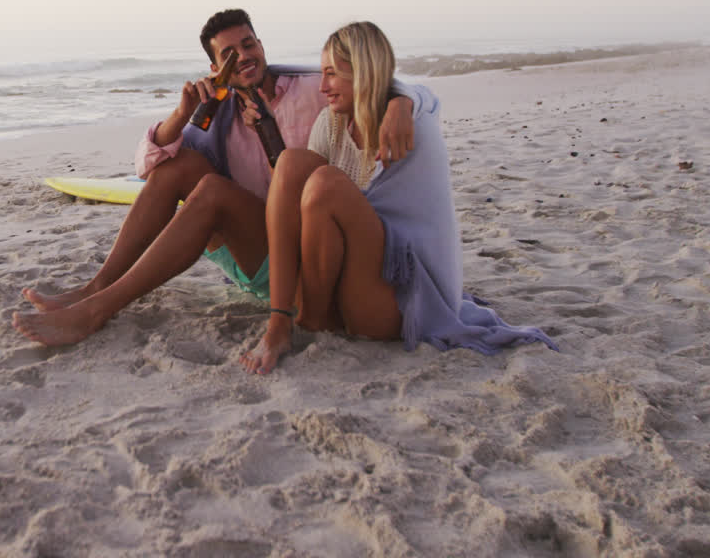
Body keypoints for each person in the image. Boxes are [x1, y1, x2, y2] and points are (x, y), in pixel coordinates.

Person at [13, 10, 415, 346]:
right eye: (229, 54)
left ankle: (96, 311)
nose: (243, 57)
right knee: (180, 167)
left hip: (311, 256)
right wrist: (183, 113)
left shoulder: (314, 91)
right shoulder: (214, 115)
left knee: (213, 190)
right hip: (256, 251)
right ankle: (95, 288)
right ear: (215, 68)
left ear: (260, 45)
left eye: (249, 45)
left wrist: (401, 102)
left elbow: (372, 79)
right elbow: (149, 169)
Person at [239, 21, 557, 374]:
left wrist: (404, 101)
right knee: (292, 162)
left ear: (362, 71)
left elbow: (427, 97)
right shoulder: (330, 123)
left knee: (326, 184)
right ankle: (281, 323)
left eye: (332, 74)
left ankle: (311, 322)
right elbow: (300, 205)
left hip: (400, 297)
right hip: (346, 285)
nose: (323, 85)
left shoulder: (408, 124)